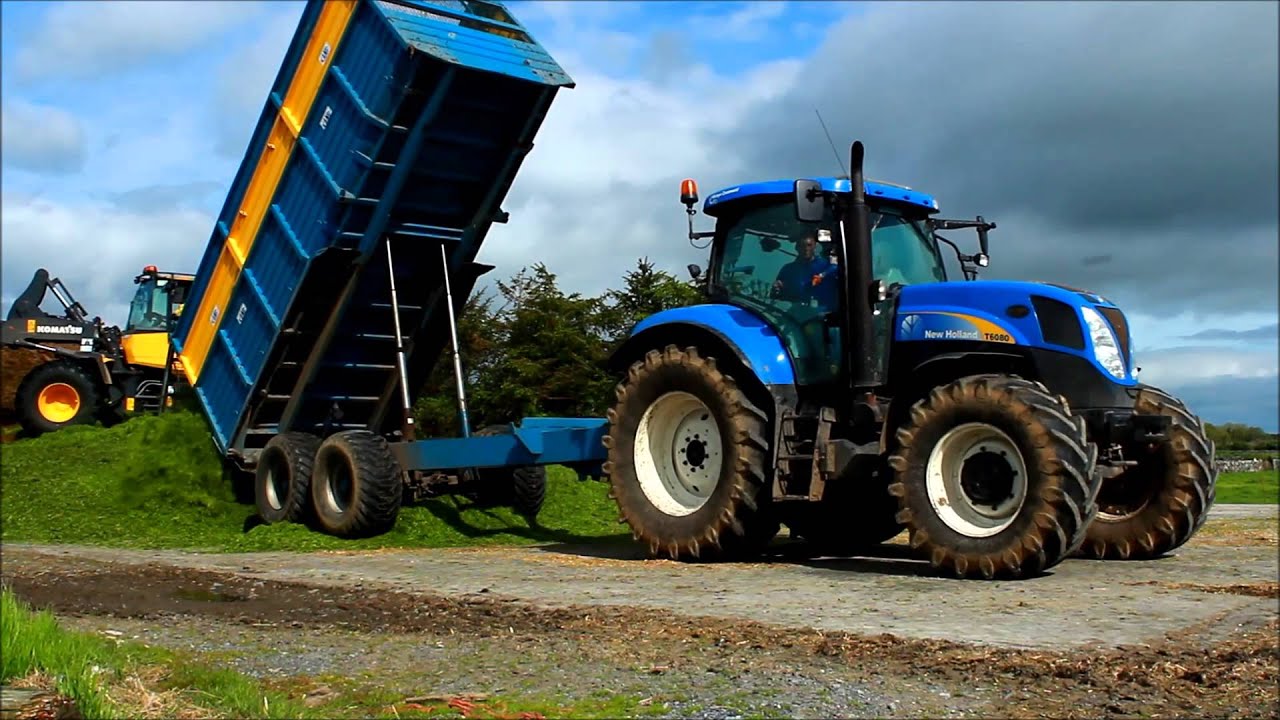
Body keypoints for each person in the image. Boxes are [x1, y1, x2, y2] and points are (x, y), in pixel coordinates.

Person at [772, 233, 837, 307]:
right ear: (797, 248)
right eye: (802, 246)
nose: (806, 249)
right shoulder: (788, 269)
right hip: (795, 315)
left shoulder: (827, 266)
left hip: (823, 314)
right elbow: (776, 295)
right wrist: (776, 290)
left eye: (809, 245)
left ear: (815, 246)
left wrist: (823, 275)